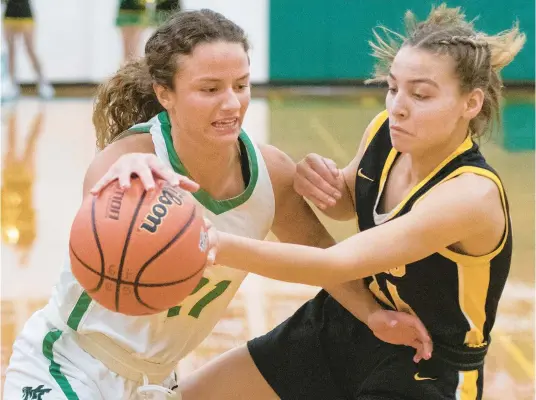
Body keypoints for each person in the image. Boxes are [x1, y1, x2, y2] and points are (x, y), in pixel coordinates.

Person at [3, 9, 430, 400]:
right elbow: (100, 210)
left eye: (241, 85)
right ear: (164, 93)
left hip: (154, 380)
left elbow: (322, 259)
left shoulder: (271, 174)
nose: (231, 103)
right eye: (209, 89)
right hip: (67, 364)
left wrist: (375, 315)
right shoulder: (130, 164)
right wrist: (120, 172)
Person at [181, 5, 525, 400]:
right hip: (347, 322)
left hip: (426, 364)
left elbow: (334, 263)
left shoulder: (470, 196)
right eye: (393, 87)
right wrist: (318, 180)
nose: (398, 105)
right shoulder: (386, 132)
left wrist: (209, 242)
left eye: (421, 94)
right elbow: (347, 200)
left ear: (471, 103)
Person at [2, 0, 55, 99]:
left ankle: (43, 82)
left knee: (30, 48)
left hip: (25, 13)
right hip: (9, 13)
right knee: (11, 50)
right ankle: (11, 84)